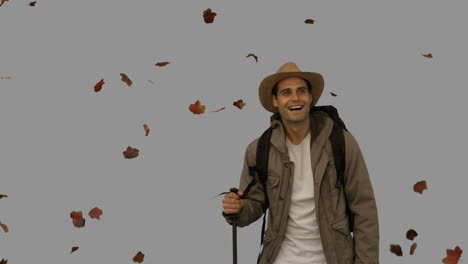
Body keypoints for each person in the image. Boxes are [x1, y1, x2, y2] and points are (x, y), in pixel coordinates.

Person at [222, 62, 379, 264]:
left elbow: (364, 209)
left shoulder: (341, 141)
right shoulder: (259, 149)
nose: (295, 98)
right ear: (275, 100)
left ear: (310, 97)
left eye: (301, 91)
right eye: (286, 92)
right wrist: (238, 208)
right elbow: (254, 205)